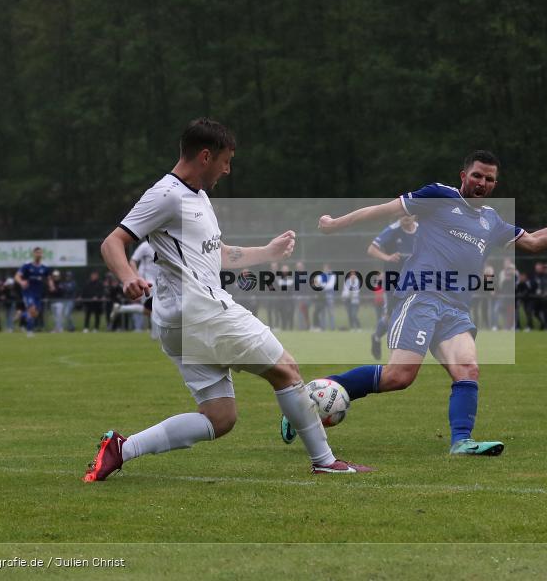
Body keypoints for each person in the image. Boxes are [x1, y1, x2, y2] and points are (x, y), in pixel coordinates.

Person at [82, 117, 371, 482]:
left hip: (180, 321)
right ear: (205, 156)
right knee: (286, 369)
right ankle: (325, 461)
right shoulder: (166, 194)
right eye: (225, 161)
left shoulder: (197, 197)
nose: (228, 170)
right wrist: (127, 277)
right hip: (201, 310)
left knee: (220, 417)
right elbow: (113, 242)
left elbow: (216, 255)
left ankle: (122, 449)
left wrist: (267, 252)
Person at [281, 150, 547, 455]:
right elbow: (385, 210)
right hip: (421, 296)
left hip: (456, 308)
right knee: (399, 377)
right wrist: (336, 224)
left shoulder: (492, 220)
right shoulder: (439, 195)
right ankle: (304, 404)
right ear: (463, 176)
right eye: (477, 175)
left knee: (468, 368)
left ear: (495, 184)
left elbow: (534, 242)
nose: (482, 182)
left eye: (490, 179)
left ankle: (462, 442)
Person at [367, 215, 419, 358]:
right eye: (402, 214)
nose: (405, 217)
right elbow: (371, 249)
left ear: (415, 215)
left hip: (414, 281)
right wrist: (387, 258)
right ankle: (378, 338)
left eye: (408, 214)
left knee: (411, 314)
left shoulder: (422, 230)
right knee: (391, 317)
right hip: (393, 281)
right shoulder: (392, 230)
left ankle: (401, 349)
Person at [15, 247, 54, 337]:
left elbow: (49, 278)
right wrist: (21, 282)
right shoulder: (27, 265)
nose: (38, 254)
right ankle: (29, 331)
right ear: (33, 254)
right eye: (37, 253)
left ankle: (22, 315)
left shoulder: (45, 267)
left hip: (38, 294)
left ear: (42, 254)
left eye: (40, 253)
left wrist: (51, 285)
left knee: (35, 313)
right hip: (28, 292)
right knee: (32, 310)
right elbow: (17, 276)